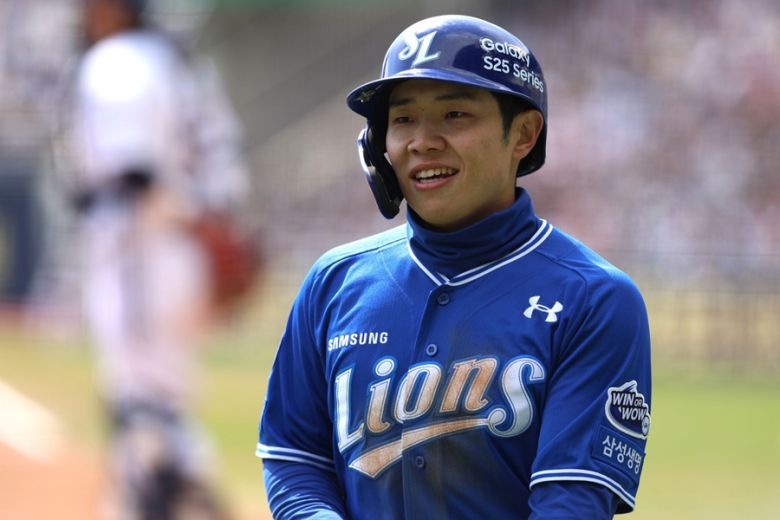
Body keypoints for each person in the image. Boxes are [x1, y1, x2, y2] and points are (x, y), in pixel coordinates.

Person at [256, 14, 651, 520]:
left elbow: (571, 502)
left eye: (455, 114)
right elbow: (295, 460)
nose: (422, 141)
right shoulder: (333, 283)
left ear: (524, 134)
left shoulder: (594, 299)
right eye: (403, 119)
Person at [63, 0, 251, 517]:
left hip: (145, 248)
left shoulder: (118, 60)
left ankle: (164, 501)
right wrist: (212, 229)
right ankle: (159, 498)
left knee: (141, 396)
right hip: (186, 251)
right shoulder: (178, 60)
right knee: (160, 394)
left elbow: (135, 172)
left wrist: (192, 222)